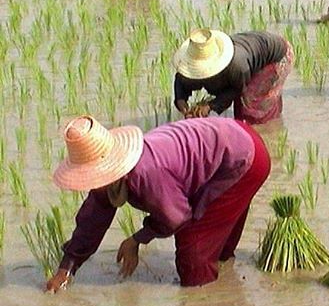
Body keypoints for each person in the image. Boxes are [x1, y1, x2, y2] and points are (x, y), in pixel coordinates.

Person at [45, 114, 271, 291]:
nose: (90, 184)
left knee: (193, 246)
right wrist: (67, 268)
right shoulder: (109, 180)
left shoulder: (146, 173)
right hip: (238, 137)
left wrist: (137, 239)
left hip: (244, 159)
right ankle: (225, 276)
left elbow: (177, 218)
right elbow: (93, 219)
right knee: (214, 240)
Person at [173, 28, 293, 125]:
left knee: (253, 109)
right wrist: (181, 102)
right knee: (242, 112)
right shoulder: (193, 69)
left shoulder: (236, 65)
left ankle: (270, 135)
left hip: (275, 57)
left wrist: (210, 106)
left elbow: (237, 89)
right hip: (251, 55)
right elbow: (181, 80)